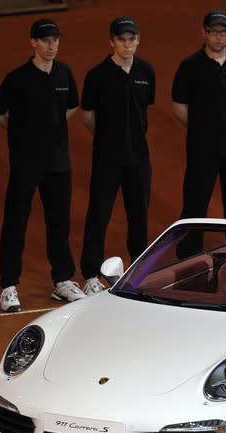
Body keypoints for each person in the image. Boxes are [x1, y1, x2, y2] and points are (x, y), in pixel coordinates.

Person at [0, 18, 85, 312]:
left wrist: (51, 127)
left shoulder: (64, 73)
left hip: (58, 163)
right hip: (25, 163)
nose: (51, 45)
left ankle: (62, 281)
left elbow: (72, 106)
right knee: (16, 223)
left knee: (59, 224)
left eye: (55, 39)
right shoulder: (17, 78)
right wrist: (19, 131)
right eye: (45, 40)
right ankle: (8, 286)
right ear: (33, 42)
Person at [79, 16, 155, 295]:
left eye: (131, 39)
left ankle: (138, 272)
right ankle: (90, 275)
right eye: (121, 39)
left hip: (139, 158)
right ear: (112, 41)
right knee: (98, 215)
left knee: (139, 216)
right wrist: (107, 139)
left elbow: (144, 108)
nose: (127, 44)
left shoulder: (146, 71)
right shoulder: (97, 75)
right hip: (106, 158)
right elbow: (88, 116)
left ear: (138, 41)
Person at [172, 9, 226, 258]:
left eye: (223, 32)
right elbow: (179, 108)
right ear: (204, 32)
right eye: (213, 31)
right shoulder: (189, 66)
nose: (218, 36)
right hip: (202, 149)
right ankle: (188, 255)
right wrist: (202, 130)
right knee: (195, 202)